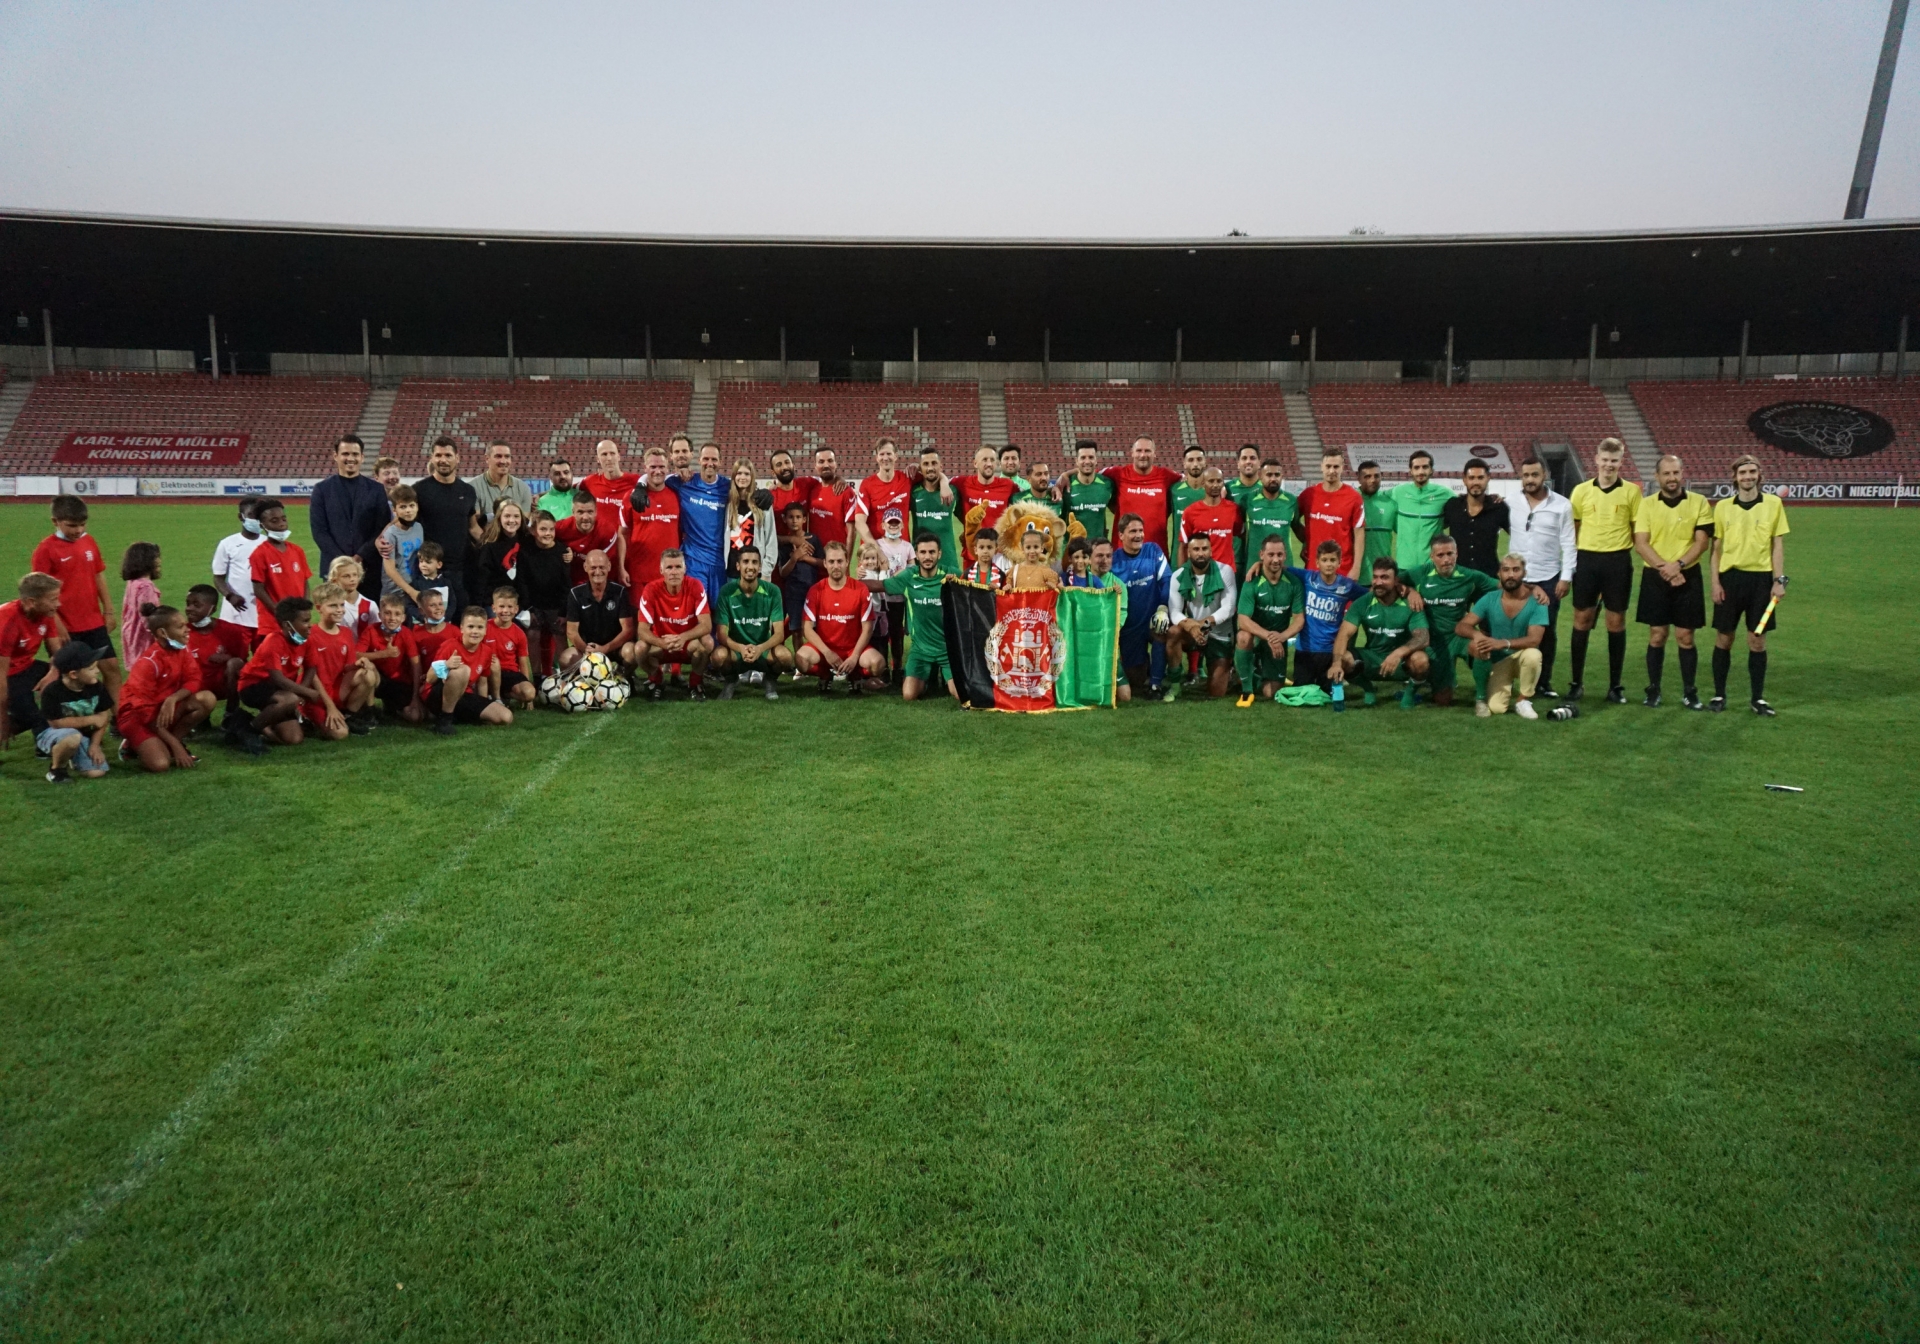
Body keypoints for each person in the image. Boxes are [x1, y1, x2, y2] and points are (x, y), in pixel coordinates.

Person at [1632, 454, 1715, 709]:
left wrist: (1677, 565)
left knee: (1685, 637)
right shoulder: (1646, 505)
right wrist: (1666, 569)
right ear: (1657, 476)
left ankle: (1690, 691)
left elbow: (1702, 542)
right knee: (1657, 635)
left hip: (1687, 575)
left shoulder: (1699, 502)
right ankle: (1653, 689)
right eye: (1666, 473)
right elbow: (1641, 543)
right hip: (1656, 576)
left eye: (1676, 473)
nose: (1672, 478)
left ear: (1682, 473)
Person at [1709, 453, 1789, 716]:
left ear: (1759, 475)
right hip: (1730, 580)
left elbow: (1777, 545)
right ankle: (1719, 695)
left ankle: (1757, 699)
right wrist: (1715, 582)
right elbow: (1715, 549)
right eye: (1743, 473)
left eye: (1752, 472)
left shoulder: (1773, 504)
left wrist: (1778, 581)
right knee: (1724, 638)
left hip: (1761, 583)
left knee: (1757, 640)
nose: (1748, 477)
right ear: (1735, 477)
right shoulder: (1722, 507)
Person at [1567, 437, 1643, 704]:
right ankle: (1576, 683)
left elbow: (1636, 529)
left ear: (1621, 462)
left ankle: (1615, 686)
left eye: (1614, 461)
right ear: (1596, 460)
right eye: (1605, 460)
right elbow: (1574, 529)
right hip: (1587, 560)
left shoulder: (1632, 492)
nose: (1609, 465)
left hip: (1617, 561)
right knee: (1582, 620)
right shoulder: (1581, 491)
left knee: (1616, 621)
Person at [31, 494, 120, 699]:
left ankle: (119, 715)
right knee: (71, 678)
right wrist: (56, 624)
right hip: (65, 625)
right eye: (71, 525)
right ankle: (67, 715)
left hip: (93, 621)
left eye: (82, 524)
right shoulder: (45, 550)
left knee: (112, 668)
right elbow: (41, 593)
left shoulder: (88, 541)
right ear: (55, 521)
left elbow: (98, 575)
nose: (78, 530)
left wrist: (108, 610)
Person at [1505, 458, 1576, 696]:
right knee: (1514, 629)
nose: (1530, 480)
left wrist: (1565, 577)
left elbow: (1569, 543)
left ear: (1544, 475)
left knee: (1546, 631)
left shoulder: (1562, 505)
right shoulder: (1511, 502)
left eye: (1534, 475)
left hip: (1548, 578)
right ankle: (1512, 680)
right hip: (1517, 579)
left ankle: (1543, 682)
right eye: (1525, 475)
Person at [117, 604, 217, 772]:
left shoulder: (182, 649)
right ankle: (132, 744)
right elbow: (143, 713)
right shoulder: (148, 663)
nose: (187, 629)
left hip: (163, 708)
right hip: (137, 718)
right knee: (160, 765)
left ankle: (169, 745)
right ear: (162, 633)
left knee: (207, 699)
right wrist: (175, 744)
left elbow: (194, 679)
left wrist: (173, 698)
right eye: (180, 626)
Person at [1401, 535, 1499, 707]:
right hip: (1435, 640)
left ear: (1457, 553)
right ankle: (1430, 682)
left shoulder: (1469, 575)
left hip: (1459, 635)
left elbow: (1502, 585)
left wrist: (1533, 588)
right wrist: (1410, 591)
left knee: (1481, 646)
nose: (1446, 559)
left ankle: (1481, 699)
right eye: (1440, 555)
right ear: (1432, 556)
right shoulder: (1421, 573)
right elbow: (1392, 582)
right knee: (1443, 700)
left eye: (1450, 554)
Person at [1458, 553, 1548, 718]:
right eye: (1506, 570)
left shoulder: (1538, 601)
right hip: (1500, 660)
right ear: (1499, 574)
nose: (1511, 575)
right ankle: (1503, 687)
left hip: (1523, 655)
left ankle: (1523, 700)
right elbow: (1462, 626)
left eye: (1516, 570)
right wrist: (1478, 635)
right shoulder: (1490, 598)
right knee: (1497, 708)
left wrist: (1503, 643)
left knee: (1533, 655)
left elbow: (1534, 639)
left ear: (1524, 573)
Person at [1331, 558, 1430, 708]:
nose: (1378, 582)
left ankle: (1409, 693)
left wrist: (1398, 653)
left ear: (1396, 580)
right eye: (1375, 577)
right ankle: (1368, 688)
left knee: (1421, 660)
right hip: (1372, 658)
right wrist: (1336, 664)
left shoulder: (1411, 603)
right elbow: (1343, 634)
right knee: (1343, 658)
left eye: (1384, 577)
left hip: (1402, 662)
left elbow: (1423, 637)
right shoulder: (1363, 603)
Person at [231, 595, 321, 754]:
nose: (310, 625)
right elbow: (277, 678)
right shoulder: (273, 642)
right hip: (253, 686)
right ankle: (249, 731)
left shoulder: (307, 640)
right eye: (305, 621)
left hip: (280, 690)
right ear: (287, 625)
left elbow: (311, 668)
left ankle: (248, 720)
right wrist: (306, 692)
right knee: (289, 699)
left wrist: (302, 690)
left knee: (294, 739)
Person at [799, 541, 886, 692]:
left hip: (853, 648)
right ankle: (825, 674)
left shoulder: (860, 589)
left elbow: (867, 628)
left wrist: (855, 656)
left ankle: (855, 674)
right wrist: (827, 653)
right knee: (801, 660)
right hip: (825, 649)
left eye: (840, 561)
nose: (836, 566)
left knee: (877, 664)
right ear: (825, 563)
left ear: (847, 562)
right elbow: (807, 628)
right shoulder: (816, 590)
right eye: (831, 562)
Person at [410, 436, 483, 614]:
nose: (443, 460)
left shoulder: (467, 491)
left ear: (457, 458)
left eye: (448, 455)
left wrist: (495, 545)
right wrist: (383, 537)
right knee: (432, 619)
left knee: (461, 616)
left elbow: (473, 527)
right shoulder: (419, 490)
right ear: (432, 458)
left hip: (461, 570)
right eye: (438, 455)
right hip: (431, 571)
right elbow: (403, 522)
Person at [631, 548, 714, 701]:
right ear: (661, 570)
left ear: (685, 569)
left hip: (687, 645)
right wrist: (661, 643)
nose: (674, 572)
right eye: (669, 567)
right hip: (662, 645)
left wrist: (683, 637)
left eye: (678, 567)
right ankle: (656, 680)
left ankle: (695, 683)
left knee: (707, 642)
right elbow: (642, 630)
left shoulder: (695, 586)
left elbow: (706, 625)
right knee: (639, 648)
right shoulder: (651, 589)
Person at [1163, 532, 1238, 700]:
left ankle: (1228, 670)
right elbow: (1174, 611)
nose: (1201, 553)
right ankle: (1175, 685)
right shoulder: (1178, 575)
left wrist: (1203, 625)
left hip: (1219, 635)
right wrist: (1191, 627)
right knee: (1173, 632)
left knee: (1216, 692)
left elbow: (1228, 608)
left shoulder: (1225, 571)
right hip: (1193, 632)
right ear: (1189, 552)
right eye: (1196, 549)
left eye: (1205, 549)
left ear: (1211, 551)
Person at [885, 532, 957, 702]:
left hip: (948, 650)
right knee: (909, 695)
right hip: (921, 649)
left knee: (961, 695)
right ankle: (928, 678)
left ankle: (945, 678)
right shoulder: (908, 577)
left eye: (932, 552)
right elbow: (879, 585)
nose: (927, 557)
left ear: (939, 553)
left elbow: (976, 584)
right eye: (923, 552)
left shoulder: (951, 574)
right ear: (916, 554)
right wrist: (848, 581)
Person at [712, 545, 792, 700]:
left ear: (760, 566)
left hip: (763, 650)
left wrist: (760, 648)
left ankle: (770, 680)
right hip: (737, 651)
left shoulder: (772, 591)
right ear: (738, 566)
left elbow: (779, 634)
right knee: (717, 656)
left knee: (786, 657)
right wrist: (741, 648)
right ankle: (731, 681)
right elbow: (721, 634)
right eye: (746, 562)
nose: (750, 567)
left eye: (755, 562)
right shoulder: (727, 591)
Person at [1233, 535, 1305, 705]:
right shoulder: (1252, 581)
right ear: (1261, 555)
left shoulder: (1293, 583)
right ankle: (1247, 690)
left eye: (1279, 555)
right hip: (1258, 637)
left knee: (1271, 692)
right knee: (1243, 637)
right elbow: (1243, 620)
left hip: (1278, 641)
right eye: (1271, 554)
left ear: (1285, 556)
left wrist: (1282, 637)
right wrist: (1269, 636)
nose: (1275, 559)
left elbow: (1299, 620)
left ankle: (1254, 672)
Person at [657, 441, 731, 602]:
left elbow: (749, 489)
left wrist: (765, 493)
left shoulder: (728, 487)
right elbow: (653, 477)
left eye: (714, 459)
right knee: (697, 606)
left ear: (720, 462)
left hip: (720, 560)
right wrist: (640, 486)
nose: (709, 463)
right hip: (693, 560)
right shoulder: (684, 482)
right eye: (706, 459)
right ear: (699, 460)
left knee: (718, 609)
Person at [1287, 540, 1365, 691]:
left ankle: (1359, 680)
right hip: (1305, 650)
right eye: (1324, 560)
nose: (1329, 564)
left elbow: (1369, 597)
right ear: (1317, 563)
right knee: (1302, 692)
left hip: (1330, 651)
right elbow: (1282, 569)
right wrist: (1258, 564)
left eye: (1332, 560)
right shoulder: (1307, 578)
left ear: (1339, 563)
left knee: (1327, 694)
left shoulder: (1346, 586)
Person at [309, 434, 389, 578]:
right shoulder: (322, 489)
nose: (350, 458)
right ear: (335, 456)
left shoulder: (376, 489)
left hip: (368, 567)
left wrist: (360, 556)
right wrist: (343, 561)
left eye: (355, 454)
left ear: (362, 457)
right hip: (334, 568)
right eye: (345, 454)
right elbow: (319, 531)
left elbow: (381, 528)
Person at [1109, 513, 1172, 695]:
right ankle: (1149, 666)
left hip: (1153, 619)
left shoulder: (1153, 551)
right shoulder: (1114, 561)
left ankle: (1156, 683)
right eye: (1133, 531)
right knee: (1136, 680)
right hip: (1130, 628)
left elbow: (1166, 580)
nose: (1138, 535)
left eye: (1141, 531)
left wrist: (1163, 607)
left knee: (1161, 628)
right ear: (1121, 535)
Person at [425, 606, 515, 734]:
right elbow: (429, 679)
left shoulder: (486, 651)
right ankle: (444, 721)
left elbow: (482, 682)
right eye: (471, 627)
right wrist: (446, 664)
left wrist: (482, 703)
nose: (475, 631)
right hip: (438, 695)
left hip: (463, 696)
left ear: (485, 630)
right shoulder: (450, 646)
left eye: (480, 627)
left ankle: (457, 717)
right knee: (463, 671)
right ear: (462, 628)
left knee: (505, 717)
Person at [1, 573, 64, 746]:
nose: (58, 604)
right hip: (7, 674)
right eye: (53, 599)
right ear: (31, 602)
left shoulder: (45, 614)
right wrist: (2, 716)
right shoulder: (7, 622)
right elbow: (1, 673)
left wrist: (53, 673)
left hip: (26, 667)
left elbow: (57, 653)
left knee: (71, 677)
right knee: (31, 717)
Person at [306, 583, 376, 737]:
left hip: (338, 689)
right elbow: (311, 675)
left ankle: (350, 716)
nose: (339, 610)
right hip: (317, 694)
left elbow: (347, 666)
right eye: (333, 606)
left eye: (342, 605)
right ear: (319, 608)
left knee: (369, 674)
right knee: (340, 734)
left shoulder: (345, 632)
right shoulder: (311, 635)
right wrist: (330, 706)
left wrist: (359, 663)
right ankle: (307, 718)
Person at [38, 641, 113, 782]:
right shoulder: (52, 692)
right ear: (73, 674)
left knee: (96, 772)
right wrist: (91, 719)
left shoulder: (97, 687)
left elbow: (103, 717)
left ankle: (72, 755)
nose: (97, 671)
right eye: (91, 668)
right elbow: (56, 723)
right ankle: (56, 770)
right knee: (72, 738)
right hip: (51, 733)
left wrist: (95, 745)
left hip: (82, 736)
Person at [1068, 537, 1132, 702]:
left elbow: (1119, 620)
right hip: (1078, 642)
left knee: (1125, 697)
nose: (1105, 560)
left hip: (1105, 645)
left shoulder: (1118, 586)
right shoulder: (1076, 579)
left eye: (1108, 556)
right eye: (1099, 556)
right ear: (1089, 558)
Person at [1102, 436, 1182, 555]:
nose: (1143, 455)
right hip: (1122, 553)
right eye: (1139, 450)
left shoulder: (1166, 476)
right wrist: (1069, 474)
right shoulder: (1119, 473)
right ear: (1132, 453)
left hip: (1156, 553)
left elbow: (1189, 480)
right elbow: (1088, 473)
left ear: (1154, 454)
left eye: (1147, 451)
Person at [1295, 449, 1367, 581]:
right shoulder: (1309, 495)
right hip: (1313, 567)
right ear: (1321, 467)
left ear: (1342, 468)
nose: (1332, 471)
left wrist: (1356, 568)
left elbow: (1359, 534)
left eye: (1336, 467)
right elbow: (1293, 520)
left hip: (1342, 569)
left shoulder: (1354, 497)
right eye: (1328, 466)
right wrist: (1306, 541)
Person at [184, 583, 250, 726]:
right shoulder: (182, 632)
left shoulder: (231, 631)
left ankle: (231, 714)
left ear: (212, 609)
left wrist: (229, 658)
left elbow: (242, 663)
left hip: (222, 683)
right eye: (188, 604)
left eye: (196, 605)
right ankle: (200, 716)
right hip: (194, 687)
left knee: (235, 664)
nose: (189, 608)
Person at [515, 511, 572, 676]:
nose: (548, 533)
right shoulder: (526, 551)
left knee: (560, 636)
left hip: (556, 606)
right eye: (543, 529)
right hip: (534, 605)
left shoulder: (562, 551)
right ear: (534, 531)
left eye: (551, 529)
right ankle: (537, 676)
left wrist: (563, 612)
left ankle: (566, 675)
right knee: (533, 635)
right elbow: (522, 581)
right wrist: (529, 608)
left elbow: (566, 584)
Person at [560, 550, 634, 676]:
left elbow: (628, 629)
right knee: (566, 658)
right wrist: (586, 650)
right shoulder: (575, 594)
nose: (598, 572)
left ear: (609, 566)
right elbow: (571, 631)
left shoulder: (620, 592)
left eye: (602, 567)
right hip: (587, 648)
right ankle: (582, 680)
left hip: (615, 647)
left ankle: (621, 678)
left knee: (631, 651)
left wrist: (605, 648)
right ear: (585, 567)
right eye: (593, 568)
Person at [247, 503, 314, 638]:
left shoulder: (297, 551)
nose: (281, 524)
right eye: (274, 521)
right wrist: (280, 613)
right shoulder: (259, 554)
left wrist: (304, 608)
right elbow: (258, 589)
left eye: (283, 519)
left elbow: (304, 581)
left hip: (298, 620)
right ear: (262, 525)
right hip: (273, 622)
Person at [1442, 460, 1511, 583]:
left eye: (1480, 478)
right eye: (1471, 478)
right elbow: (1435, 528)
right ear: (1464, 479)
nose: (1476, 482)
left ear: (1488, 478)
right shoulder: (1452, 506)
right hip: (1458, 578)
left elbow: (1518, 535)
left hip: (1488, 578)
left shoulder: (1498, 508)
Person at [358, 593, 423, 723]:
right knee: (367, 667)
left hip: (400, 683)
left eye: (397, 614)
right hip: (378, 680)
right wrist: (384, 654)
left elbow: (416, 665)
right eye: (387, 613)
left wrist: (416, 698)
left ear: (403, 618)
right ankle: (370, 711)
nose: (392, 618)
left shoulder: (406, 633)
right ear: (380, 615)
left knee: (414, 717)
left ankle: (390, 708)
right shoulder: (371, 630)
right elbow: (356, 655)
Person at [1388, 450, 1455, 573]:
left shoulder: (1445, 494)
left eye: (1425, 467)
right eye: (1416, 467)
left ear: (1431, 470)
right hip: (1404, 565)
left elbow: (1466, 504)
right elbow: (1375, 497)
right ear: (1410, 471)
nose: (1420, 472)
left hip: (1432, 566)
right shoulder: (1398, 492)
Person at [209, 498, 266, 638]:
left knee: (264, 651)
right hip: (235, 615)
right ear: (241, 517)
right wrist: (230, 596)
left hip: (263, 613)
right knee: (234, 652)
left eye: (259, 515)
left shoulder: (268, 543)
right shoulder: (227, 544)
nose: (256, 519)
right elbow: (218, 577)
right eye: (252, 515)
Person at [623, 448, 678, 589]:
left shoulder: (677, 496)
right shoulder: (631, 498)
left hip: (670, 576)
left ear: (668, 468)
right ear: (645, 468)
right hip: (639, 575)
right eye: (653, 467)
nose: (657, 471)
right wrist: (621, 567)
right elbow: (622, 534)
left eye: (661, 467)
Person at [952, 444, 1018, 555]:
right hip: (972, 554)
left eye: (992, 460)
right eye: (984, 460)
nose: (989, 464)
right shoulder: (962, 483)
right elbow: (939, 480)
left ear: (997, 463)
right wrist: (943, 482)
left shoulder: (1009, 486)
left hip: (999, 554)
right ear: (975, 463)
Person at [775, 503, 825, 641]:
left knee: (813, 628)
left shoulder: (813, 539)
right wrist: (794, 558)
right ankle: (799, 655)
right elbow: (783, 573)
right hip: (793, 592)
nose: (794, 520)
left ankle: (813, 653)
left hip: (811, 590)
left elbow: (823, 563)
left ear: (804, 519)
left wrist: (805, 558)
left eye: (798, 517)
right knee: (796, 629)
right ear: (784, 519)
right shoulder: (784, 544)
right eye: (791, 517)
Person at [1178, 466, 1241, 570]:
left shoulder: (1233, 509)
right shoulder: (1190, 512)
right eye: (1211, 481)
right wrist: (1183, 574)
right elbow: (1183, 546)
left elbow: (1240, 534)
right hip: (1201, 571)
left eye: (1219, 481)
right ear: (1203, 483)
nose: (1215, 485)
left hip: (1226, 571)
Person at [483, 588, 537, 708]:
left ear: (516, 609)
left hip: (510, 673)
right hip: (488, 673)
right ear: (494, 608)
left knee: (529, 693)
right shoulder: (484, 628)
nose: (505, 611)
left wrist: (529, 699)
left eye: (510, 607)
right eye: (501, 606)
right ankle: (497, 699)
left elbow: (523, 662)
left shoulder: (519, 633)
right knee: (494, 662)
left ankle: (504, 695)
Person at [909, 447, 960, 572]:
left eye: (934, 463)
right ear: (920, 468)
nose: (930, 467)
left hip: (948, 561)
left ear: (941, 466)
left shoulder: (953, 491)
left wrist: (944, 482)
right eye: (926, 464)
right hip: (921, 561)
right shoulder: (913, 492)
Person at [1242, 458, 1297, 572]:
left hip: (1284, 566)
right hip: (1254, 567)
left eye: (1277, 475)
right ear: (1260, 476)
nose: (1273, 478)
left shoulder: (1291, 501)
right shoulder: (1248, 500)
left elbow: (1298, 526)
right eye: (1269, 475)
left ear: (1282, 476)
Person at [578, 439, 641, 538]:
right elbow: (566, 489)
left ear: (618, 456)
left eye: (612, 453)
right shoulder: (590, 482)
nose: (609, 458)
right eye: (604, 454)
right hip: (602, 542)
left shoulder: (637, 481)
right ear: (598, 459)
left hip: (628, 542)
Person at [724, 458, 777, 576]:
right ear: (734, 476)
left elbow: (771, 539)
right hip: (731, 572)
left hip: (755, 573)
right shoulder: (727, 502)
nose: (742, 477)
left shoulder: (762, 502)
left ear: (752, 476)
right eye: (739, 473)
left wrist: (765, 571)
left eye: (747, 474)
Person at [556, 491, 622, 585]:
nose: (585, 517)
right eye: (580, 512)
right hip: (567, 581)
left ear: (596, 512)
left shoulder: (606, 531)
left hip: (595, 581)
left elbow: (605, 568)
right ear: (573, 512)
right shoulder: (560, 528)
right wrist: (560, 549)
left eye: (590, 512)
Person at [377, 484, 426, 608]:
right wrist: (411, 592)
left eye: (411, 505)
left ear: (417, 506)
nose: (408, 510)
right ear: (394, 510)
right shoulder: (390, 534)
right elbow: (390, 570)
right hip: (394, 593)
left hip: (414, 587)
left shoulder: (419, 528)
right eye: (403, 507)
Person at [474, 499, 529, 604]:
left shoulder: (527, 541)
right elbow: (482, 579)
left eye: (516, 516)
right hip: (494, 602)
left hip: (521, 602)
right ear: (499, 518)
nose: (512, 520)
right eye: (507, 516)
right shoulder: (488, 545)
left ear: (522, 519)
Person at [1060, 441, 1117, 544]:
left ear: (1096, 460)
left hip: (1098, 548)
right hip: (1073, 549)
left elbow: (1115, 509)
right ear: (1076, 461)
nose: (1087, 461)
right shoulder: (1066, 485)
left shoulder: (1107, 484)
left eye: (1091, 457)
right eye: (1083, 458)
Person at [467, 439, 534, 526]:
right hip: (483, 535)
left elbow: (523, 524)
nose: (503, 461)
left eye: (507, 456)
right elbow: (474, 526)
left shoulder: (523, 488)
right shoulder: (472, 487)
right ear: (487, 458)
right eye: (498, 456)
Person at [118, 541, 163, 666]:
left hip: (131, 634)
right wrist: (161, 635)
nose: (159, 561)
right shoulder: (146, 587)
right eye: (156, 558)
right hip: (143, 638)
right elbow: (148, 618)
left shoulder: (133, 583)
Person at [807, 447, 858, 550]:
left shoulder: (846, 492)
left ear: (836, 464)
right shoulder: (811, 489)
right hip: (814, 555)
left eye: (830, 461)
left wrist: (846, 558)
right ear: (815, 466)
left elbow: (852, 531)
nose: (826, 465)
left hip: (836, 556)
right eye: (821, 462)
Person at [1357, 460, 1398, 571]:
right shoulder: (1351, 500)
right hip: (1356, 572)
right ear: (1359, 479)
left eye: (1376, 476)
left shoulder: (1390, 503)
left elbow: (1404, 534)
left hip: (1383, 571)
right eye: (1367, 477)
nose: (1373, 480)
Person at [1168, 445, 1211, 550]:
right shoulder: (1174, 490)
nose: (1195, 464)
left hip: (1206, 554)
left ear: (1205, 462)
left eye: (1199, 459)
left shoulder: (1214, 491)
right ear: (1184, 464)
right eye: (1191, 460)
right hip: (1178, 554)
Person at [1004, 522, 1062, 591]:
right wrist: (1008, 587)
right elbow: (1008, 587)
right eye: (1028, 547)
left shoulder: (1047, 572)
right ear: (1022, 549)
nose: (1032, 551)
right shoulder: (1014, 571)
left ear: (1042, 548)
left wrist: (1054, 587)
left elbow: (1054, 590)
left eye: (1036, 547)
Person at [768, 447, 816, 525]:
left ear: (793, 466)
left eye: (787, 462)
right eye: (779, 465)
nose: (784, 467)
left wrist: (837, 479)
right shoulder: (770, 497)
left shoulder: (806, 483)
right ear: (773, 472)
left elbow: (826, 480)